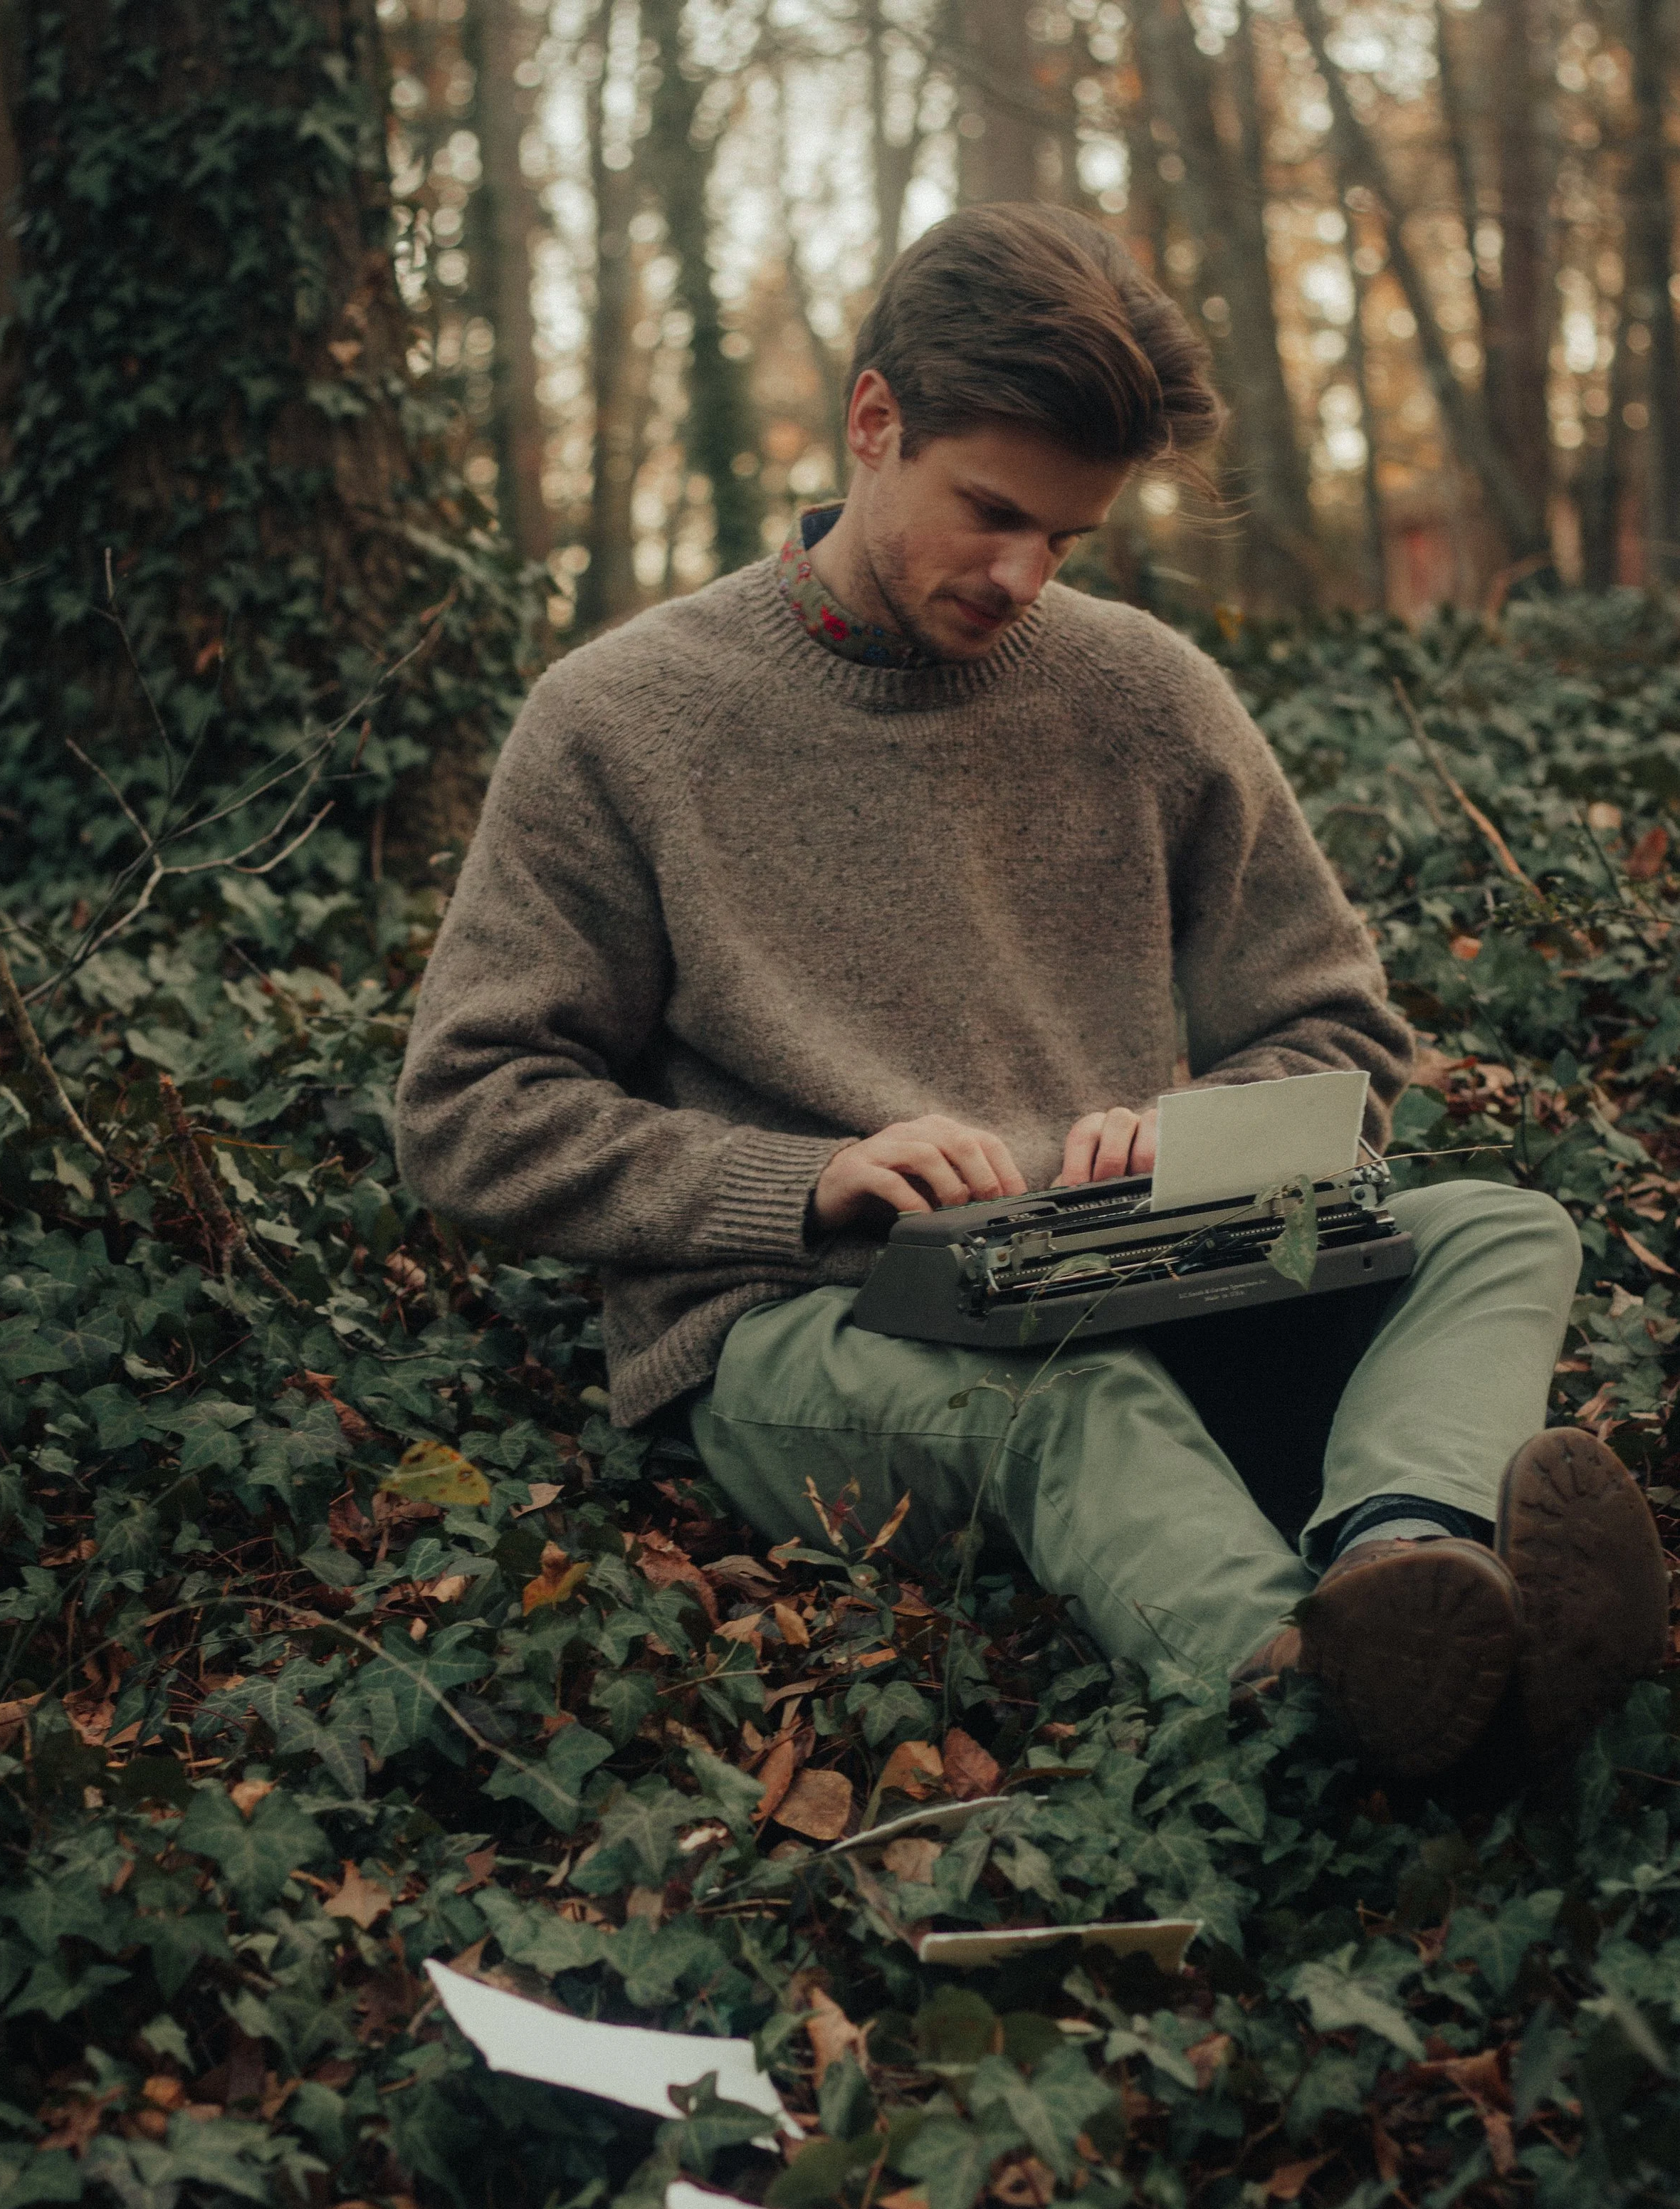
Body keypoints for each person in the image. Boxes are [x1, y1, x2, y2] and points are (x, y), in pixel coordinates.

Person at [395, 204, 1667, 1799]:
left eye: (1064, 541)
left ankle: (1411, 1568)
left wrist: (1203, 1134)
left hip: (1137, 1262)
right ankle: (1301, 1698)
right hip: (797, 1323)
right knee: (1070, 1397)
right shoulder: (618, 721)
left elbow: (1336, 1030)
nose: (1018, 575)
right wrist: (801, 1181)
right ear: (873, 421)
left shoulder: (1143, 695)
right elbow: (467, 1111)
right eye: (987, 511)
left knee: (1498, 1229)